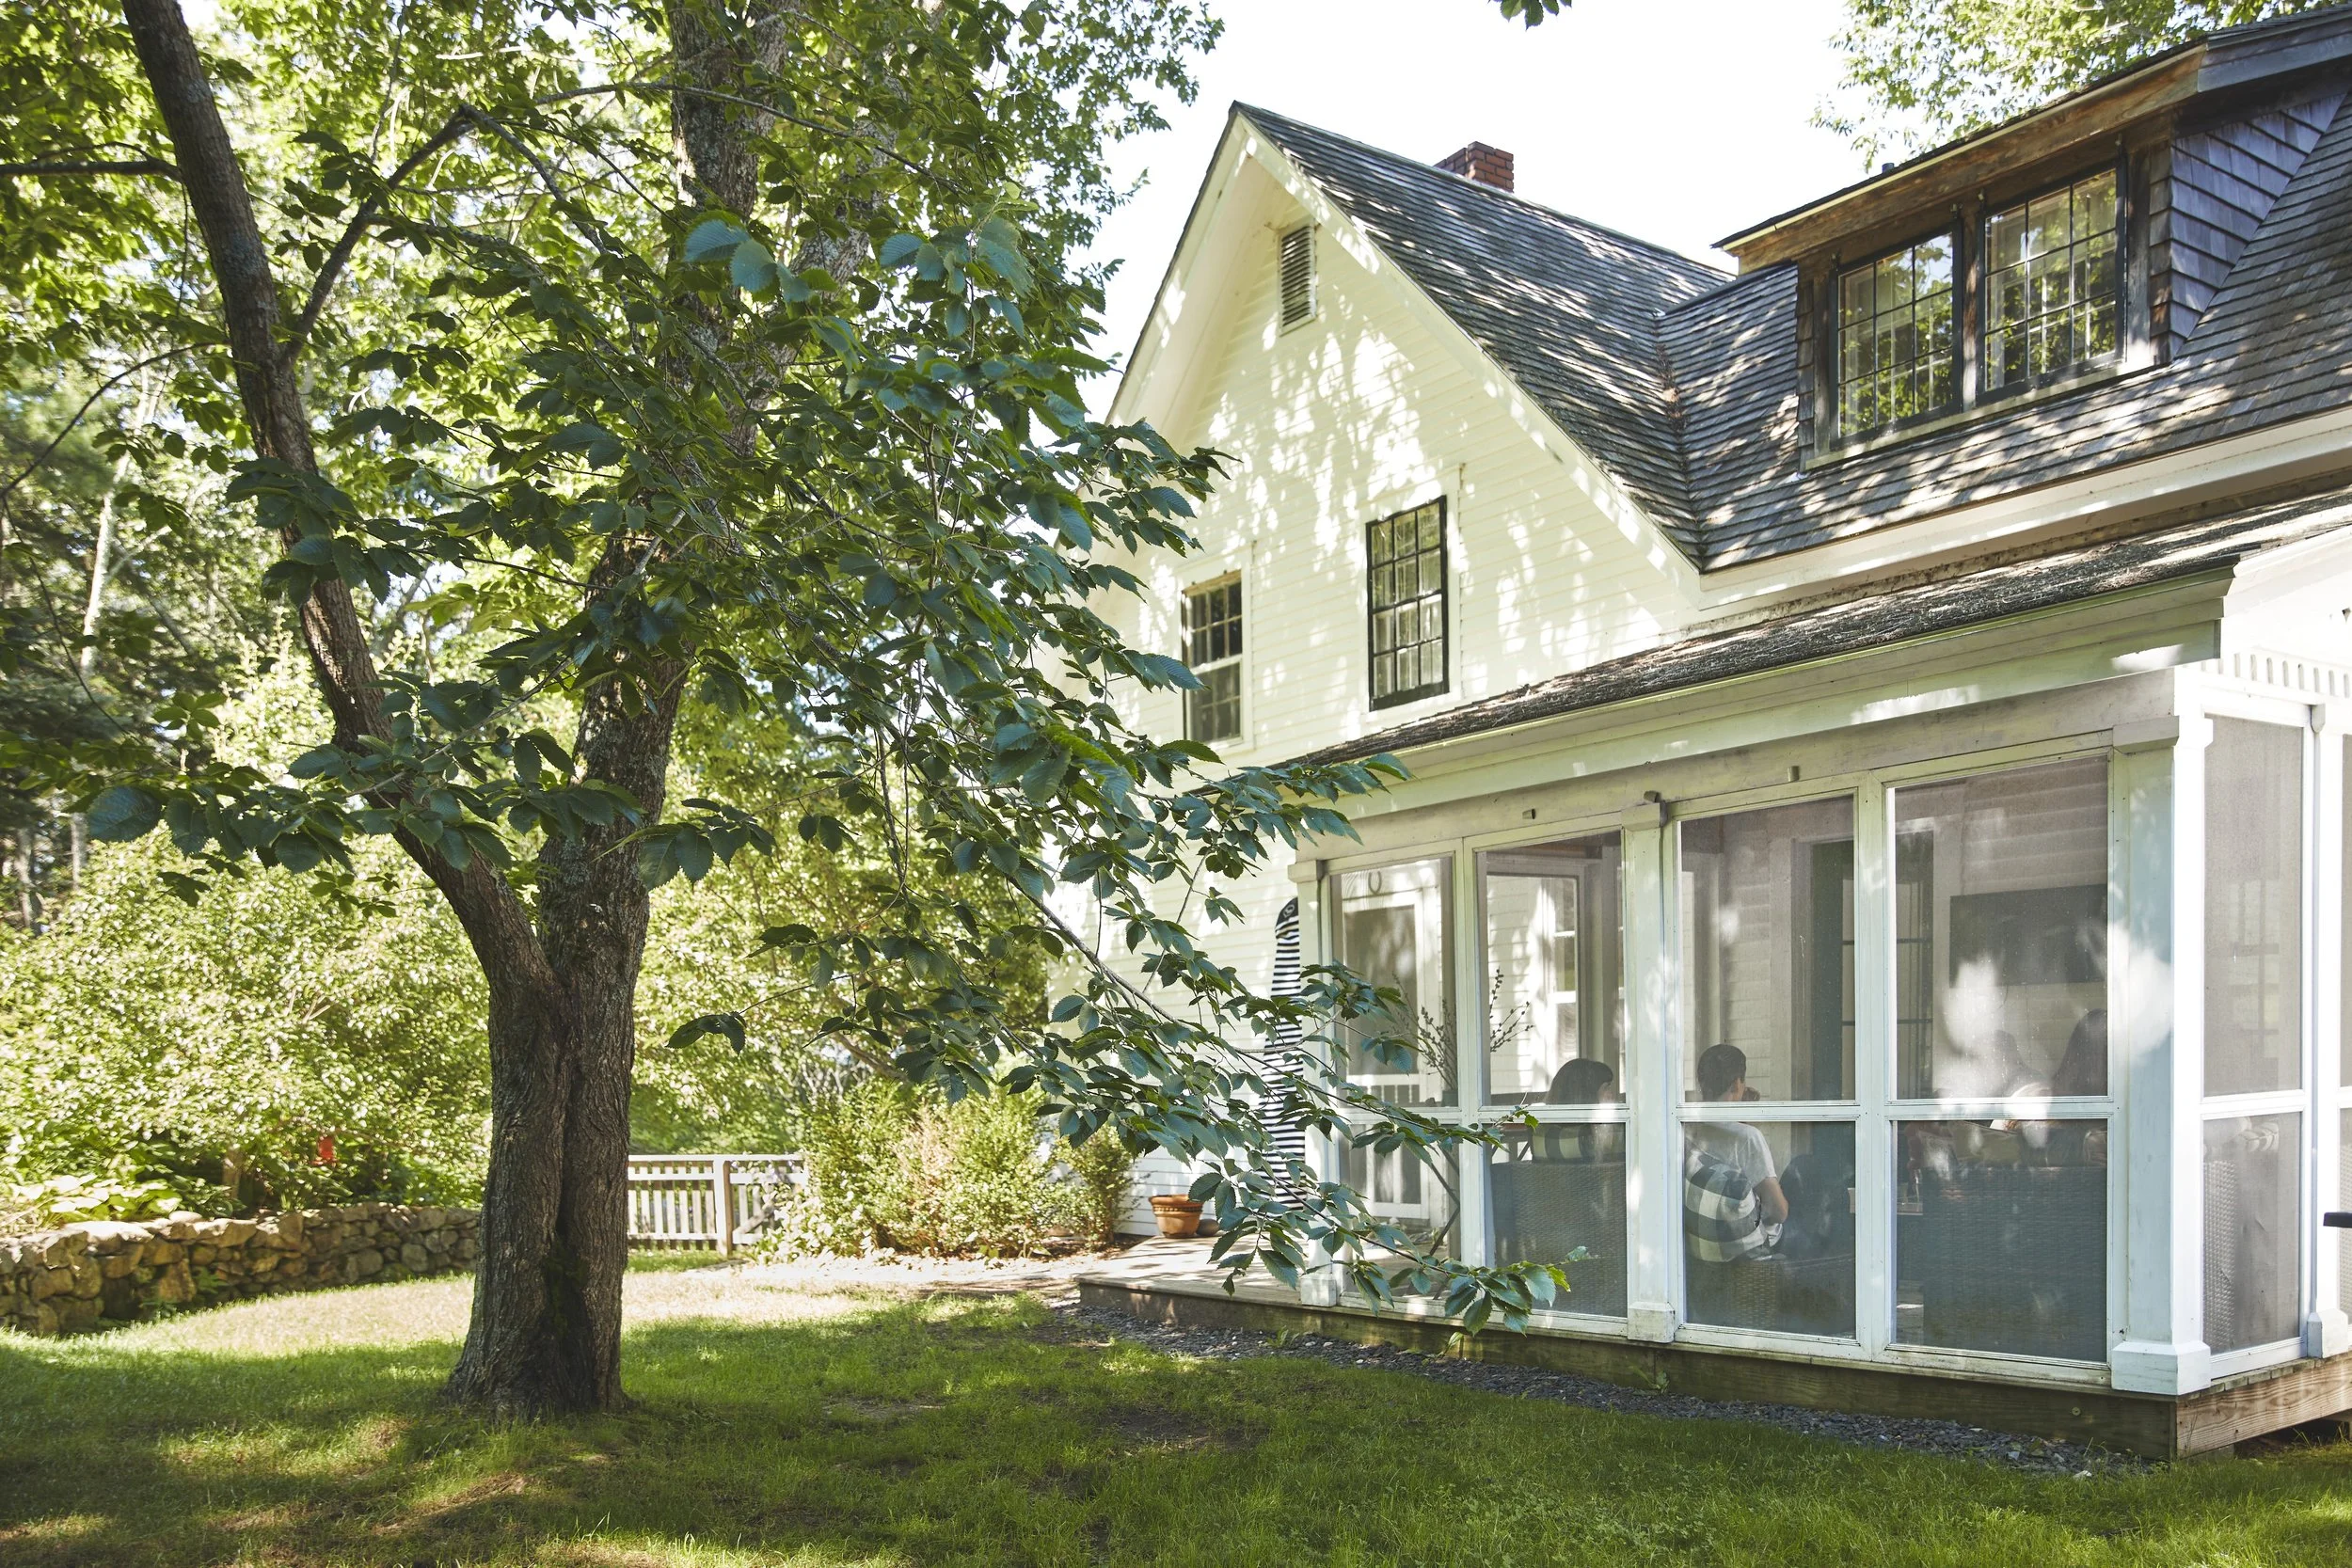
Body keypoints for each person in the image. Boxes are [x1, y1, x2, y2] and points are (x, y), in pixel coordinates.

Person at [1688, 1043, 1788, 1227]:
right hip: (1751, 1239)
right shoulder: (1748, 1138)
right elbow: (1778, 1213)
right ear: (1736, 1084)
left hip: (1708, 1228)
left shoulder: (1687, 1125)